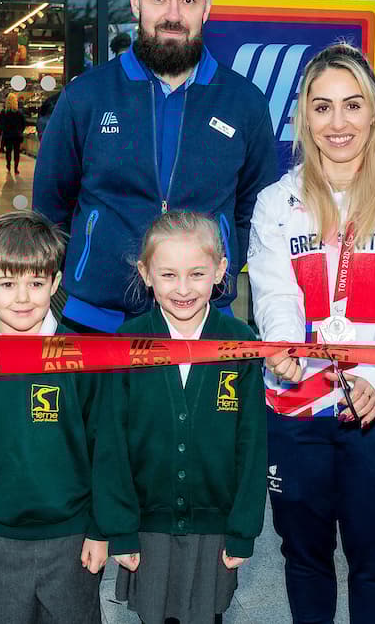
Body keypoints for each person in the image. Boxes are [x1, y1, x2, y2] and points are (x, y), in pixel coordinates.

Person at [247, 43, 375, 623]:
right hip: (296, 404)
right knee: (303, 556)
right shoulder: (274, 200)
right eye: (323, 107)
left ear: (374, 114)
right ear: (304, 115)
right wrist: (283, 345)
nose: (338, 123)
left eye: (353, 106)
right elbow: (274, 289)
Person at [32, 0, 278, 333]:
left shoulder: (244, 103)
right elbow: (50, 210)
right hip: (96, 325)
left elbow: (256, 212)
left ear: (207, 7)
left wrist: (220, 261)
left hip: (204, 325)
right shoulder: (87, 97)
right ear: (136, 1)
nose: (174, 15)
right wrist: (90, 267)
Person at [94, 211, 266, 624]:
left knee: (208, 615)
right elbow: (111, 442)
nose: (183, 289)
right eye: (168, 275)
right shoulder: (127, 343)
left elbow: (253, 441)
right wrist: (120, 527)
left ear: (221, 270)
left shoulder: (240, 343)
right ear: (146, 273)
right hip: (147, 524)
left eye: (196, 273)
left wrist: (243, 529)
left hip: (214, 524)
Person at [0, 210, 106, 624]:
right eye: (7, 284)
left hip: (72, 536)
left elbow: (105, 449)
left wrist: (102, 529)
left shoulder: (81, 358)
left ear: (55, 282)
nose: (22, 298)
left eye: (35, 283)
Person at [0, 93, 26, 174]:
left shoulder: (4, 113)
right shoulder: (19, 113)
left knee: (8, 151)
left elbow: (1, 124)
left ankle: (8, 165)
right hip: (17, 135)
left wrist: (0, 134)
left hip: (7, 135)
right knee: (17, 152)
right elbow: (24, 124)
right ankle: (16, 168)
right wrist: (20, 131)